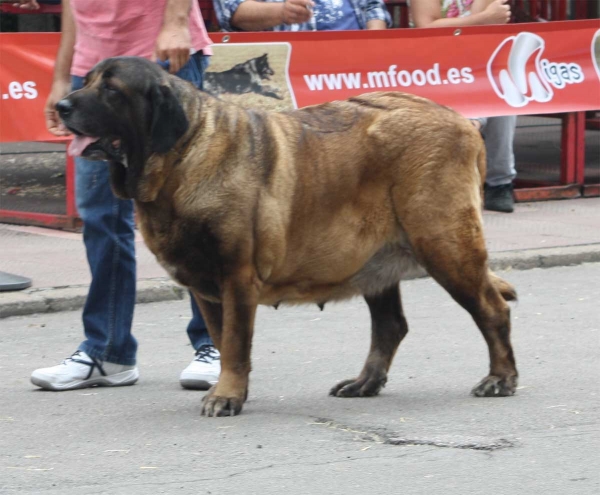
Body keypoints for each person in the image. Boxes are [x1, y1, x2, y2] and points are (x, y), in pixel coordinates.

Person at [23, 0, 221, 391]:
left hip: (163, 60)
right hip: (94, 71)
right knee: (100, 216)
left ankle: (215, 344)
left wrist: (177, 22)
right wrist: (63, 77)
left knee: (193, 212)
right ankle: (108, 352)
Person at [410, 0, 517, 213]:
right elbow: (427, 28)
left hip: (477, 62)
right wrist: (482, 19)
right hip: (431, 66)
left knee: (506, 96)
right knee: (479, 107)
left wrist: (479, 20)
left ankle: (500, 184)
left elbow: (485, 29)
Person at [213, 0, 391, 32]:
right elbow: (232, 12)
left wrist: (373, 40)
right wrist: (282, 11)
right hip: (290, 66)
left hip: (353, 68)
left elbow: (373, 6)